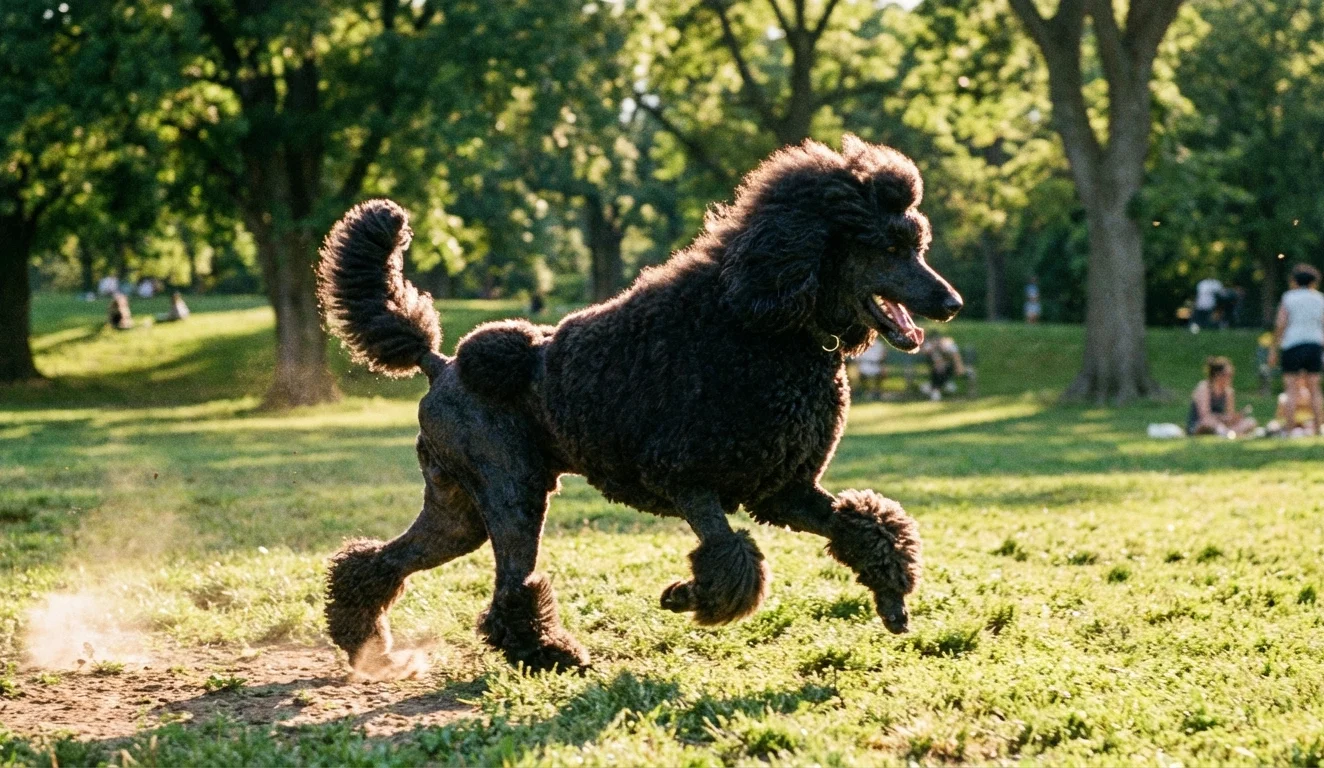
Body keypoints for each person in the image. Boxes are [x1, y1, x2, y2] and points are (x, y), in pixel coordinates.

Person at [1268, 264, 1324, 435]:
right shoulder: (1319, 298)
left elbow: (1281, 324)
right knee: (1314, 389)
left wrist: (1273, 348)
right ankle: (1317, 428)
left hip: (1293, 345)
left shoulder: (1289, 297)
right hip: (1314, 344)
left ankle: (1290, 429)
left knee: (1290, 389)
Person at [1187, 356, 1256, 437]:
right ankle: (1226, 432)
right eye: (1227, 375)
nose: (1229, 378)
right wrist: (1223, 418)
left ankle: (1226, 432)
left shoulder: (1229, 392)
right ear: (1217, 375)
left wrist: (1234, 418)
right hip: (1202, 423)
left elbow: (1229, 415)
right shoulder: (1204, 388)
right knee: (1208, 422)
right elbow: (1205, 415)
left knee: (1250, 422)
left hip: (1221, 424)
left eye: (1231, 375)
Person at [918, 333, 965, 401]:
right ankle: (943, 385)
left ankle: (933, 388)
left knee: (942, 368)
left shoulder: (949, 345)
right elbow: (924, 352)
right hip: (935, 367)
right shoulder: (931, 346)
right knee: (938, 368)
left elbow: (955, 357)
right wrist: (933, 348)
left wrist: (959, 367)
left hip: (948, 367)